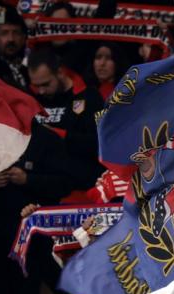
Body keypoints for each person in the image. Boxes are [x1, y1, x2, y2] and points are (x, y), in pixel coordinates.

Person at [27, 48, 104, 190]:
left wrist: (60, 135)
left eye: (45, 84)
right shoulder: (31, 97)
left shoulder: (88, 97)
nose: (41, 91)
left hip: (79, 184)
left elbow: (98, 143)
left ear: (60, 73)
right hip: (38, 184)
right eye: (36, 86)